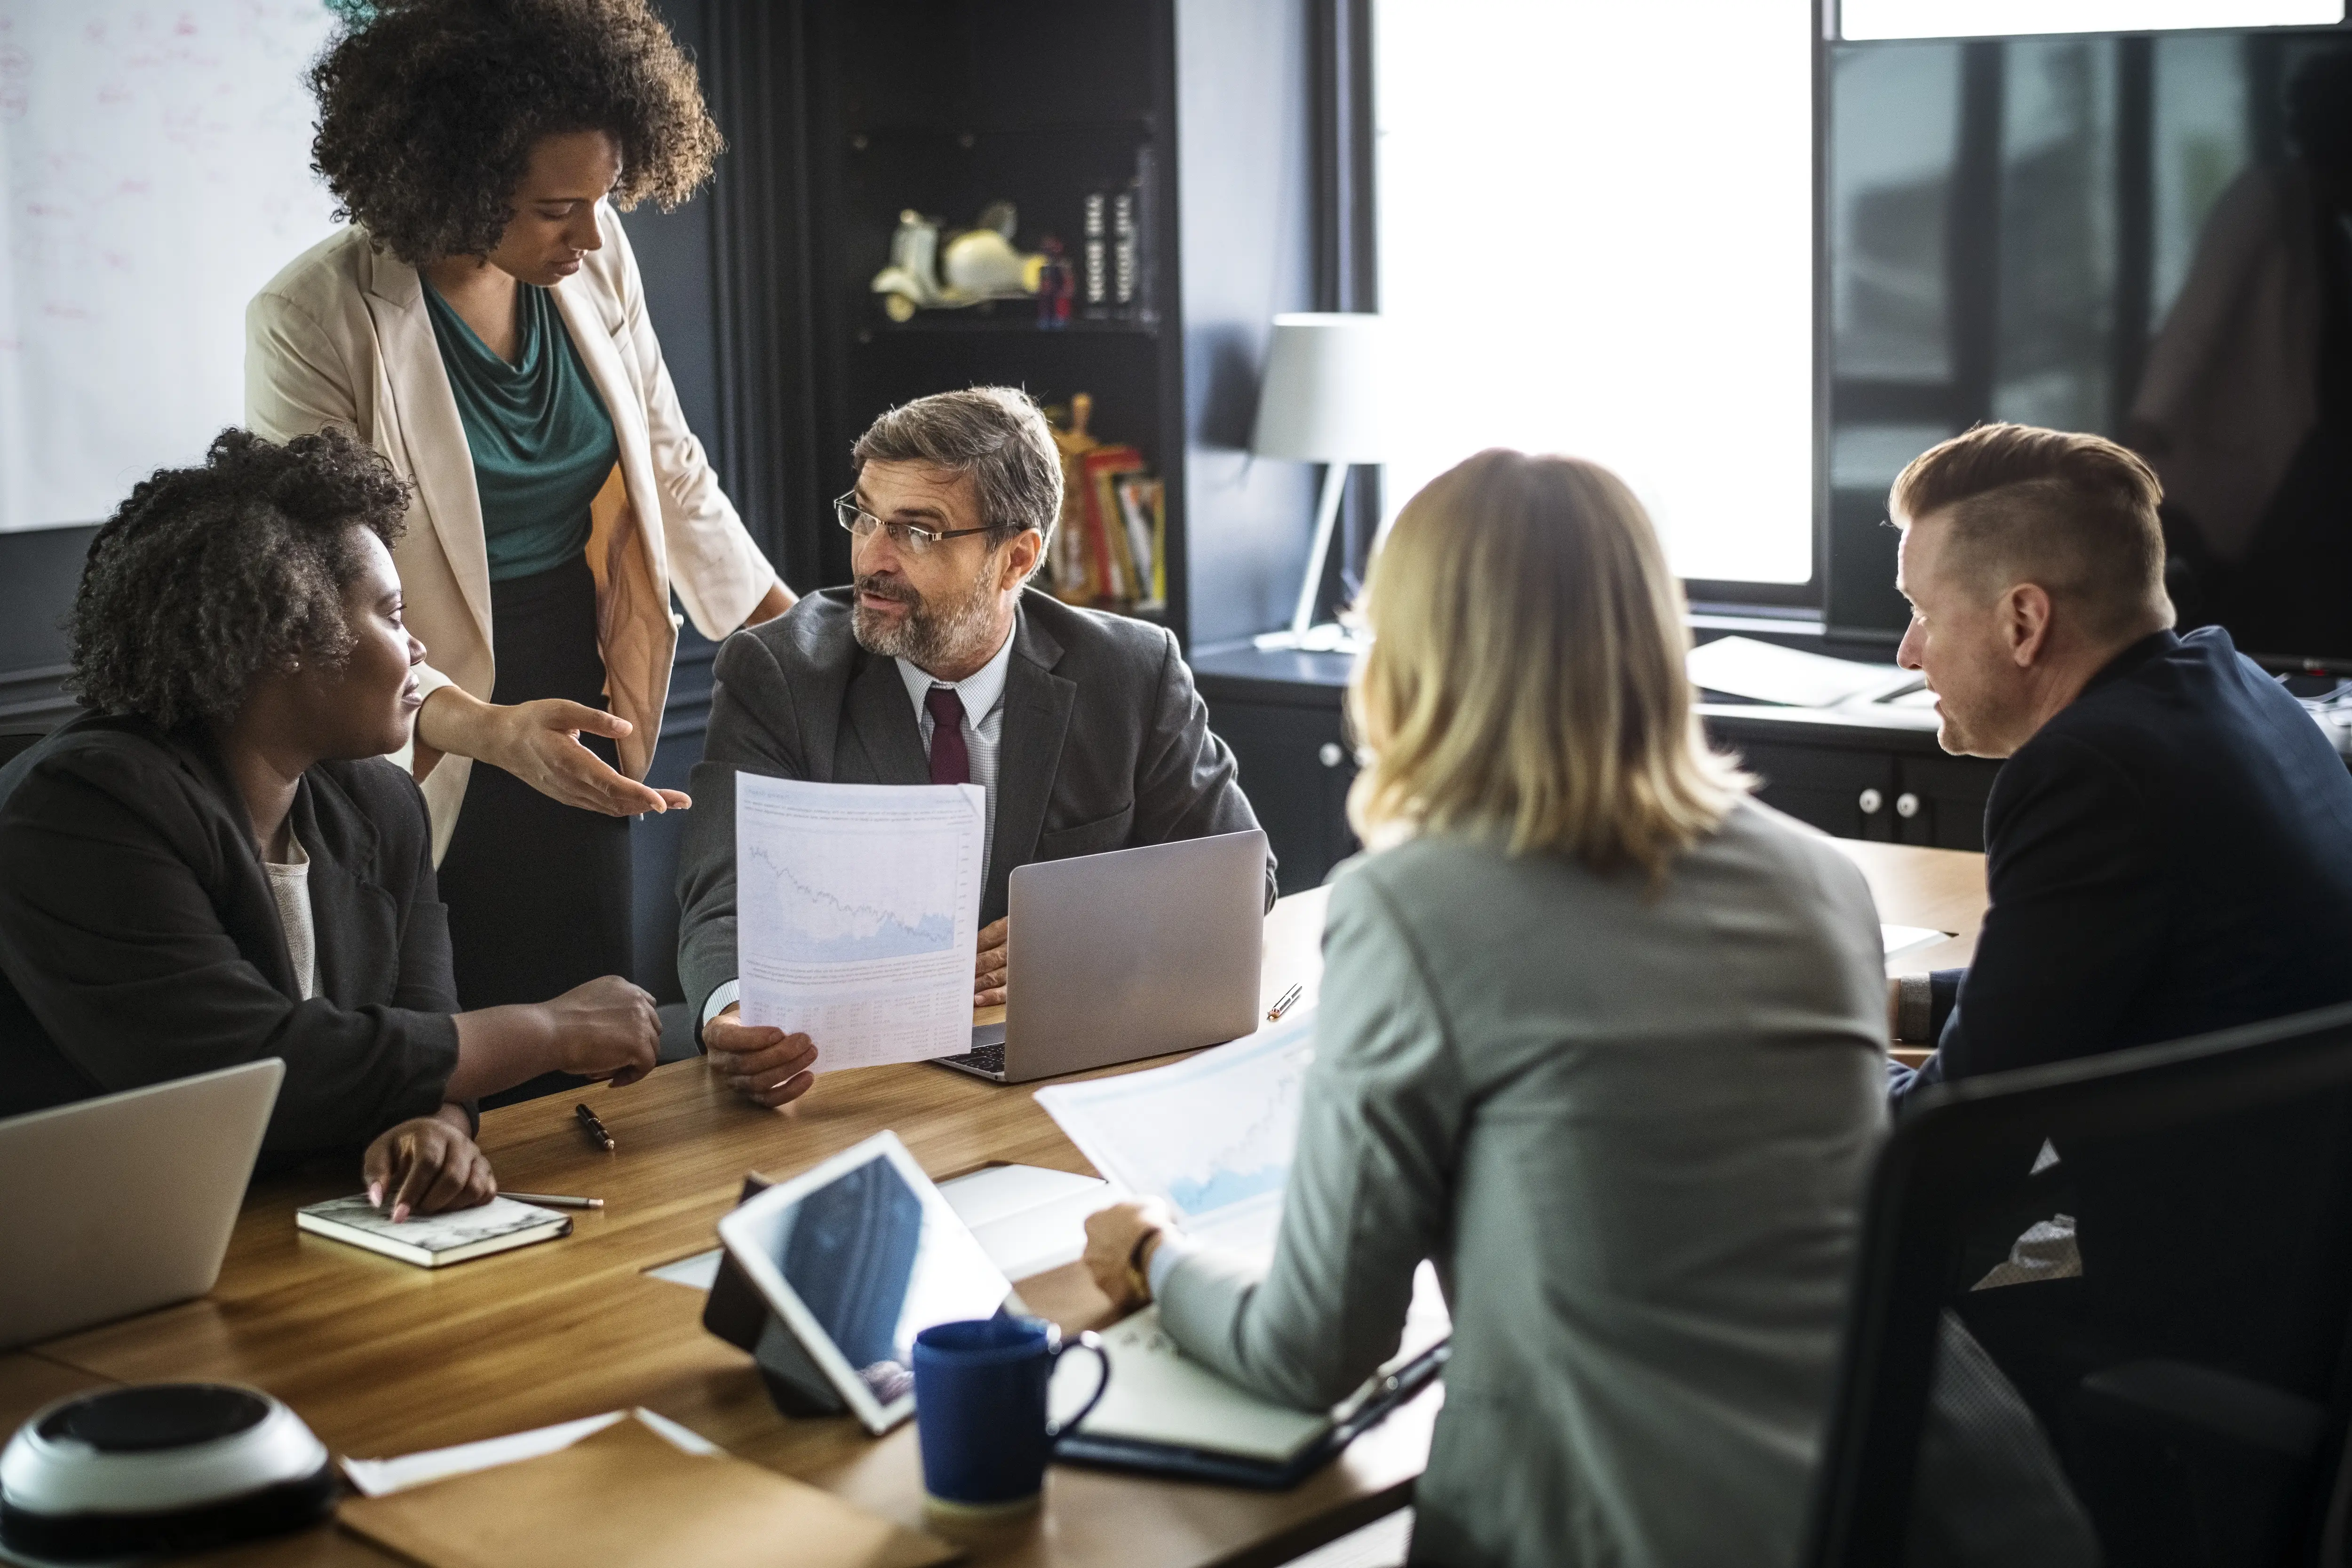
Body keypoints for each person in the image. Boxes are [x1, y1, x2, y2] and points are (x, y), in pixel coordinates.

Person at [1072, 448, 1937, 1565]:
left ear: (1411, 654)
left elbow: (1313, 1349)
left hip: (1605, 1522)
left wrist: (1155, 1256)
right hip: (1890, 1497)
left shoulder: (1414, 903)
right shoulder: (1821, 876)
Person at [246, 0, 792, 1083]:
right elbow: (318, 596)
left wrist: (799, 637)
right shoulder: (312, 318)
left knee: (593, 1017)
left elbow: (671, 465)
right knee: (460, 1026)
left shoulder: (593, 250)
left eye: (601, 202)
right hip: (411, 698)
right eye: (557, 209)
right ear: (449, 174)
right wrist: (488, 729)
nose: (590, 236)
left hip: (581, 671)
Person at [0, 430, 661, 1218]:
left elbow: (421, 1034)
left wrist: (434, 1126)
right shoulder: (83, 808)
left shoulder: (381, 806)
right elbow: (254, 1070)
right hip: (101, 1243)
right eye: (392, 613)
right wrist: (550, 1031)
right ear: (285, 638)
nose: (418, 648)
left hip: (300, 1230)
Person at [1882, 424, 2352, 1480]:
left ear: (2022, 619)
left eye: (1919, 612)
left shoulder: (2091, 768)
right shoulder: (2236, 694)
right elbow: (2130, 983)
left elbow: (1966, 1141)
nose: (1906, 652)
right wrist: (1905, 1003)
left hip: (2172, 1297)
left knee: (1786, 1280)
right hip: (2287, 1260)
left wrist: (1796, 1121)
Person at [676, 387, 1271, 1108]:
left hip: (1059, 1075)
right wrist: (735, 1011)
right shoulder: (779, 673)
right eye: (863, 516)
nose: (874, 558)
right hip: (854, 1083)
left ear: (1017, 557)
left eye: (919, 531)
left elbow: (1240, 878)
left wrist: (1073, 937)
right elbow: (724, 894)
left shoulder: (1130, 673)